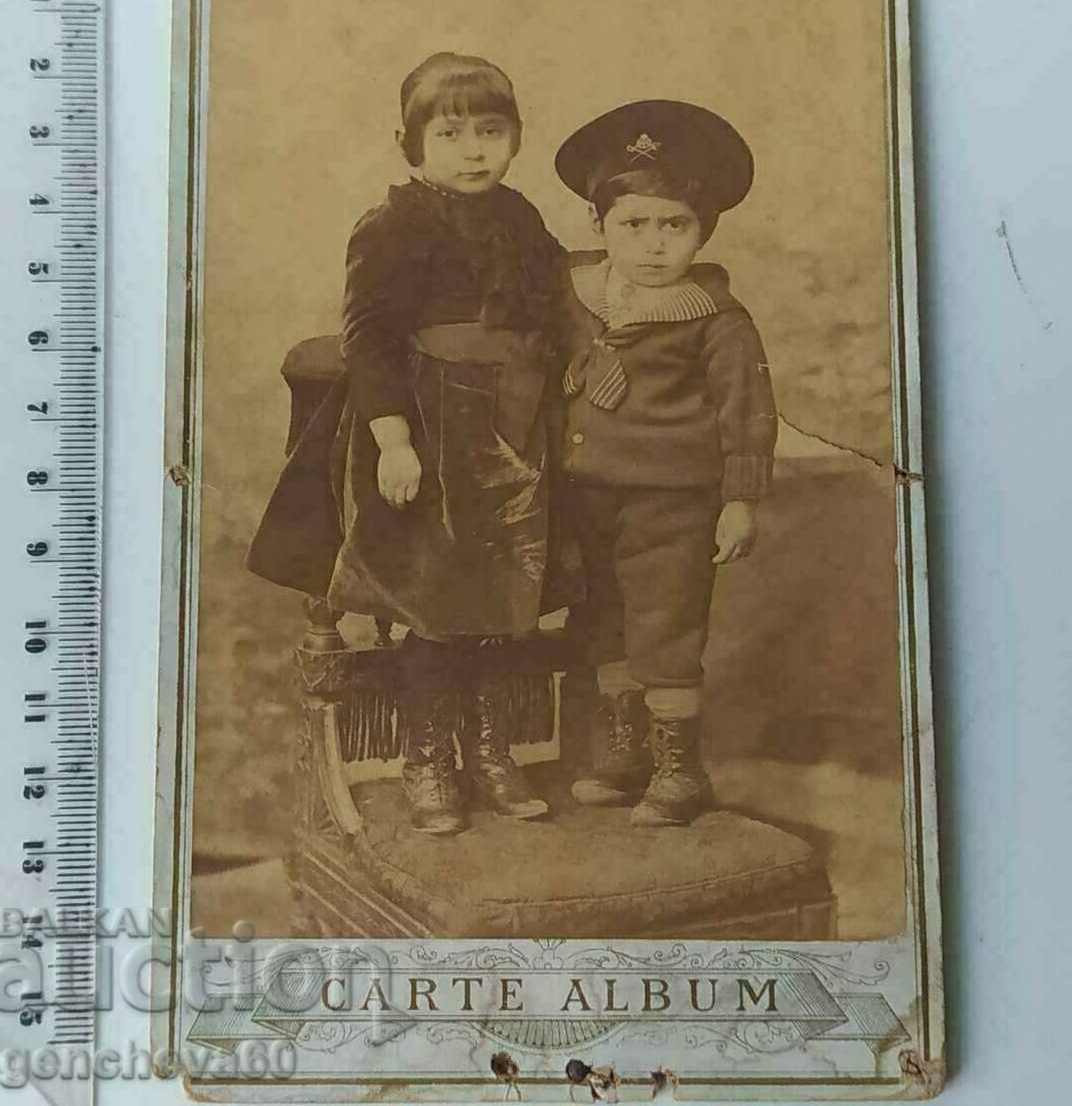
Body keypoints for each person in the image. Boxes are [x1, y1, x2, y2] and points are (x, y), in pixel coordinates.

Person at [251, 52, 567, 836]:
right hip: (428, 430)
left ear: (515, 138)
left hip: (514, 428)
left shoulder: (521, 216)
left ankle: (491, 751)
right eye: (451, 132)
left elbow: (555, 304)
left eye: (490, 132)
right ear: (410, 142)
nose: (473, 151)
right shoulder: (392, 226)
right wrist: (394, 442)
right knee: (436, 601)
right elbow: (369, 342)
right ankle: (429, 757)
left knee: (506, 599)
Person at [552, 99, 778, 827]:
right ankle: (621, 751)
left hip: (673, 500)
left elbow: (746, 413)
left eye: (674, 225)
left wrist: (739, 499)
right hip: (585, 493)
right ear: (597, 226)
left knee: (667, 625)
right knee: (603, 620)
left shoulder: (715, 318)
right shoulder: (577, 297)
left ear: (702, 231)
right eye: (633, 224)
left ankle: (679, 767)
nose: (653, 245)